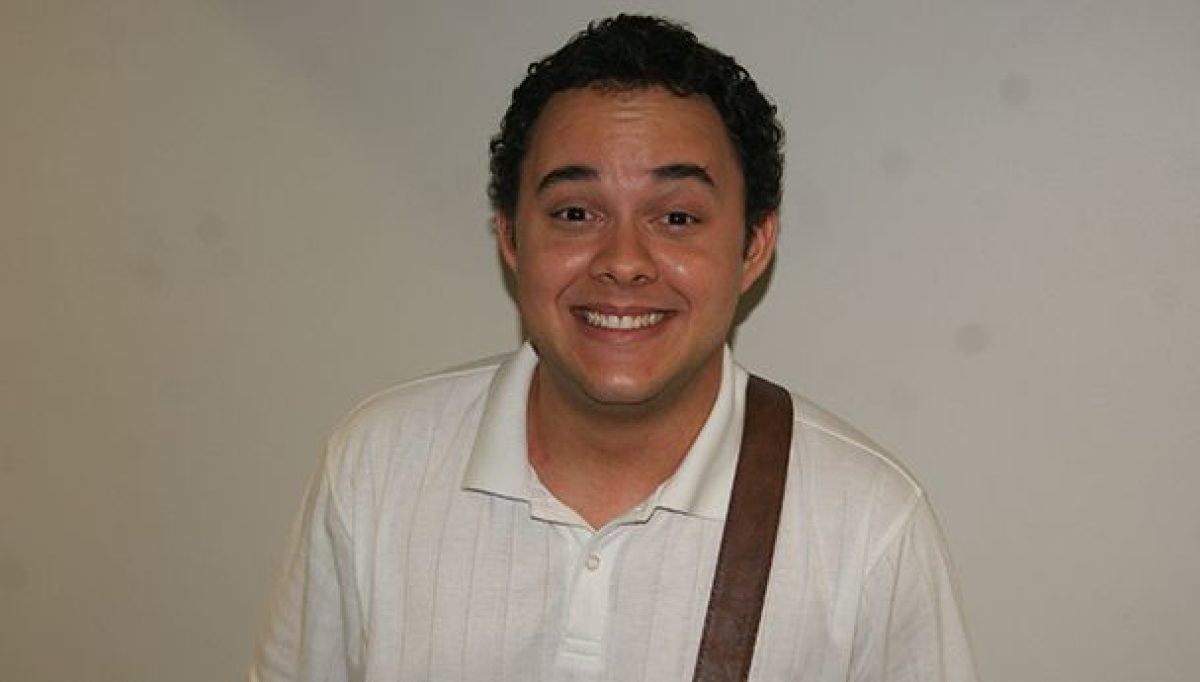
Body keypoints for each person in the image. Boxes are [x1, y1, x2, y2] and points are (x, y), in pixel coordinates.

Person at [250, 15, 977, 682]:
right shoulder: (376, 468)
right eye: (575, 212)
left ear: (754, 246)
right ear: (510, 237)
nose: (623, 262)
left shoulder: (868, 526)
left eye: (677, 217)